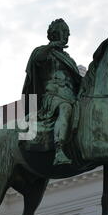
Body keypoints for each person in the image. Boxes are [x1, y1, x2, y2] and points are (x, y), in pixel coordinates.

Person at [22, 18, 82, 165]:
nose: (67, 36)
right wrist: (51, 46)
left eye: (68, 33)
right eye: (64, 32)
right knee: (65, 108)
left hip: (71, 96)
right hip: (53, 97)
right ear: (55, 34)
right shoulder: (43, 52)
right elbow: (36, 59)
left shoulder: (69, 59)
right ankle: (59, 150)